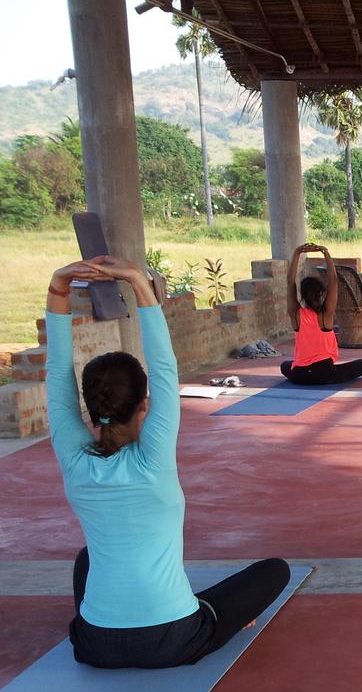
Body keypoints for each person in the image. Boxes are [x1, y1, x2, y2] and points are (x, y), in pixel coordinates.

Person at [44, 256, 291, 669]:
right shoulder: (153, 456)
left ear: (89, 408)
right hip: (173, 639)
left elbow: (56, 373)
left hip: (93, 645)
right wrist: (139, 283)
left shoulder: (73, 456)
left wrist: (58, 287)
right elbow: (164, 367)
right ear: (144, 406)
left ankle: (121, 614)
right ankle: (209, 615)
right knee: (275, 571)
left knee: (89, 557)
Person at [281, 242, 362, 385]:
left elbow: (290, 282)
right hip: (323, 373)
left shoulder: (296, 314)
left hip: (300, 375)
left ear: (302, 296)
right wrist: (326, 253)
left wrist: (297, 253)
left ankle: (306, 371)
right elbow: (334, 281)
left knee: (285, 365)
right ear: (321, 294)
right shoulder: (325, 315)